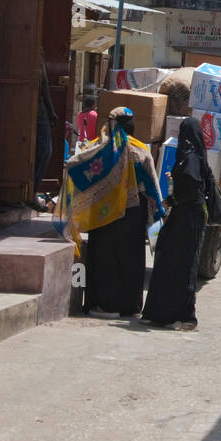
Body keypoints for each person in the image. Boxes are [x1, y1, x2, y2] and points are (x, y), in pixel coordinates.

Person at [84, 108, 163, 319]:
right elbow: (152, 188)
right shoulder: (141, 151)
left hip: (104, 213)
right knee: (131, 259)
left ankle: (106, 306)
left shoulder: (98, 149)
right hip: (133, 214)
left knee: (105, 258)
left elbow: (81, 176)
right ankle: (130, 306)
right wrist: (156, 216)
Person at [142, 118, 215, 331]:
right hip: (186, 215)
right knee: (170, 260)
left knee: (182, 264)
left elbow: (191, 188)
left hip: (188, 217)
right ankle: (161, 313)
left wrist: (173, 199)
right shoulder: (192, 157)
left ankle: (184, 316)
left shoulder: (190, 158)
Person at [34, 51, 58, 202]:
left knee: (44, 151)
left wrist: (50, 111)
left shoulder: (38, 54)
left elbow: (44, 87)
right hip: (30, 110)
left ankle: (32, 190)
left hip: (40, 111)